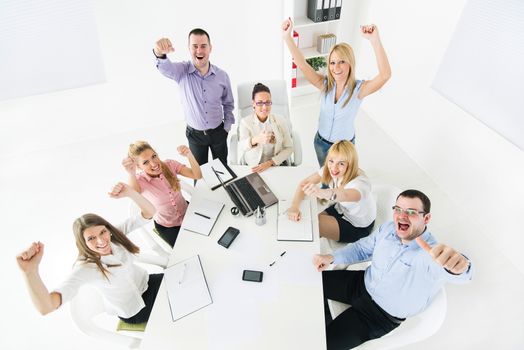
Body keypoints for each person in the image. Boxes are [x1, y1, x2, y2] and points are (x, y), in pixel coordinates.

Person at [313, 189, 474, 350]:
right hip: (360, 284)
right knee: (308, 280)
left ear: (426, 218)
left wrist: (460, 266)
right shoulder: (389, 229)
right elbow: (362, 249)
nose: (401, 216)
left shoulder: (430, 255)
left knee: (320, 344)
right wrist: (331, 258)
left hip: (377, 316)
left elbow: (460, 274)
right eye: (398, 209)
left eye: (411, 212)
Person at [16, 183, 162, 325]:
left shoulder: (114, 236)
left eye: (102, 232)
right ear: (83, 242)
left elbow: (150, 212)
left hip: (148, 283)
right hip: (135, 310)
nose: (101, 241)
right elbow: (46, 307)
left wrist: (130, 193)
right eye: (91, 238)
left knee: (182, 278)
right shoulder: (86, 267)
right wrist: (30, 272)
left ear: (108, 229)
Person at [281, 19, 391, 166]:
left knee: (341, 184)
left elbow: (385, 75)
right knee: (325, 179)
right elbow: (301, 64)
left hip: (343, 149)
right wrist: (287, 37)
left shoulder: (359, 90)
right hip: (321, 143)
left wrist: (374, 40)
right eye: (332, 62)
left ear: (350, 63)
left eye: (341, 62)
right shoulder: (325, 85)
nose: (336, 67)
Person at [153, 28, 234, 166]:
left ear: (210, 48)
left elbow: (228, 104)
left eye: (203, 46)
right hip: (195, 136)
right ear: (189, 48)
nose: (199, 50)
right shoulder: (181, 71)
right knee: (199, 174)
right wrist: (159, 53)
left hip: (219, 133)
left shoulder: (222, 76)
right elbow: (166, 68)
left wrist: (226, 128)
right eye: (195, 46)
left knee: (223, 170)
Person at [288, 140, 375, 243]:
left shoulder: (361, 183)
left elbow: (345, 194)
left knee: (311, 226)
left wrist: (321, 192)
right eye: (331, 161)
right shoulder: (330, 169)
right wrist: (294, 206)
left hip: (357, 226)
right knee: (308, 222)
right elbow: (304, 183)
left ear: (350, 165)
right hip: (341, 209)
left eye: (341, 163)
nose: (334, 168)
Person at [123, 141, 202, 248]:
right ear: (138, 166)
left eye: (154, 156)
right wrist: (131, 174)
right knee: (189, 250)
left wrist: (189, 155)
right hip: (168, 227)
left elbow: (197, 175)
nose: (154, 163)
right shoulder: (139, 180)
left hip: (188, 213)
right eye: (145, 162)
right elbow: (133, 193)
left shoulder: (170, 165)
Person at [238, 82, 294, 173]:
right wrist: (256, 140)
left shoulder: (280, 120)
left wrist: (270, 163)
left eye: (267, 102)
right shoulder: (245, 122)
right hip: (253, 166)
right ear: (253, 103)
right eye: (259, 103)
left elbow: (289, 148)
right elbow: (241, 146)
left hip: (275, 165)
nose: (264, 107)